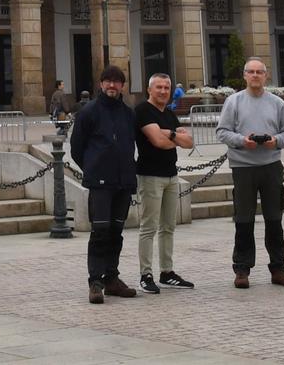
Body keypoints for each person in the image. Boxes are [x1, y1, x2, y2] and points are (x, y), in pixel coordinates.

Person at [215, 58, 284, 289]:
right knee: (243, 219)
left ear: (266, 75)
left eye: (259, 72)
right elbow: (221, 132)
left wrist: (275, 141)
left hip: (271, 166)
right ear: (244, 76)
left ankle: (278, 268)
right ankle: (242, 269)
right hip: (243, 168)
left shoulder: (277, 103)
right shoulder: (234, 102)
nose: (255, 76)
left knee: (274, 218)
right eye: (250, 72)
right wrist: (242, 141)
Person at [68, 64, 140, 304]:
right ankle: (95, 282)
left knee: (116, 232)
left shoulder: (128, 113)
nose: (112, 85)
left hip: (123, 183)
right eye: (107, 81)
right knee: (100, 232)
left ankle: (112, 279)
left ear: (122, 86)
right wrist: (92, 167)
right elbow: (77, 148)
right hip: (100, 184)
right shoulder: (89, 112)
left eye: (116, 81)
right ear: (100, 84)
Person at [133, 72, 195, 293]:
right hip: (150, 175)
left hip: (171, 175)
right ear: (149, 89)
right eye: (158, 87)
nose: (163, 91)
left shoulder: (169, 114)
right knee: (148, 227)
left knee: (168, 226)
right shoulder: (142, 111)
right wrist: (173, 138)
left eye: (166, 88)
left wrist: (168, 135)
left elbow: (189, 143)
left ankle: (167, 271)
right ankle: (145, 274)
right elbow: (157, 141)